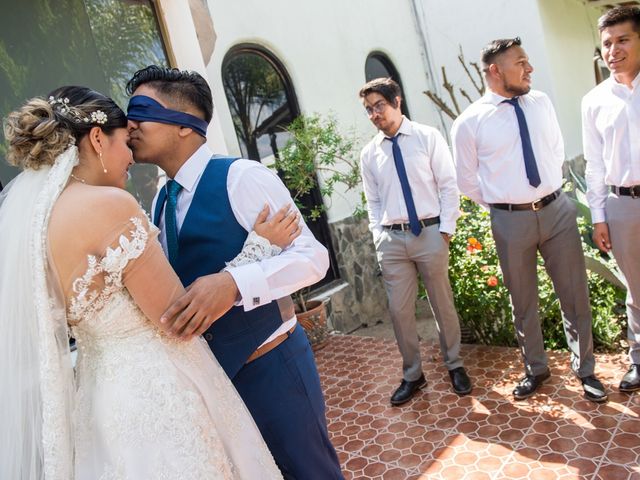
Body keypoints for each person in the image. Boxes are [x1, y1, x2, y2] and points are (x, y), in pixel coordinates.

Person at [0, 86, 300, 479]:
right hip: (156, 397)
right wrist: (259, 248)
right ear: (96, 138)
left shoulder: (30, 228)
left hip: (97, 400)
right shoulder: (110, 205)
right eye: (125, 142)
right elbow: (178, 316)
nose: (132, 157)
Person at [126, 66, 344, 480]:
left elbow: (314, 258)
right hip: (214, 381)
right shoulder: (158, 201)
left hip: (271, 367)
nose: (129, 123)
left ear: (185, 124)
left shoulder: (242, 177)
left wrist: (233, 284)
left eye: (141, 109)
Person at [452, 38, 608, 403]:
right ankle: (535, 369)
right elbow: (466, 180)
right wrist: (505, 203)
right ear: (495, 71)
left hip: (557, 212)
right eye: (520, 62)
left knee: (574, 293)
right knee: (522, 301)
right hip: (510, 221)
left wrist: (546, 194)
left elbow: (555, 150)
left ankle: (585, 369)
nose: (529, 68)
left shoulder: (541, 102)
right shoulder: (469, 123)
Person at [358, 77, 471, 406]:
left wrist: (445, 230)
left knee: (442, 304)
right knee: (398, 310)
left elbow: (448, 185)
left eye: (379, 105)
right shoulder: (370, 154)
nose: (375, 114)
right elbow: (373, 201)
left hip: (430, 233)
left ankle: (455, 364)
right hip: (392, 241)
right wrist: (378, 233)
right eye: (368, 110)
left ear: (397, 102)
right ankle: (413, 374)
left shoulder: (426, 137)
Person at [582, 6, 640, 393]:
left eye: (623, 40)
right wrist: (599, 216)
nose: (613, 49)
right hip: (622, 206)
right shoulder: (594, 101)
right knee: (637, 289)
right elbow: (594, 163)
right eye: (607, 43)